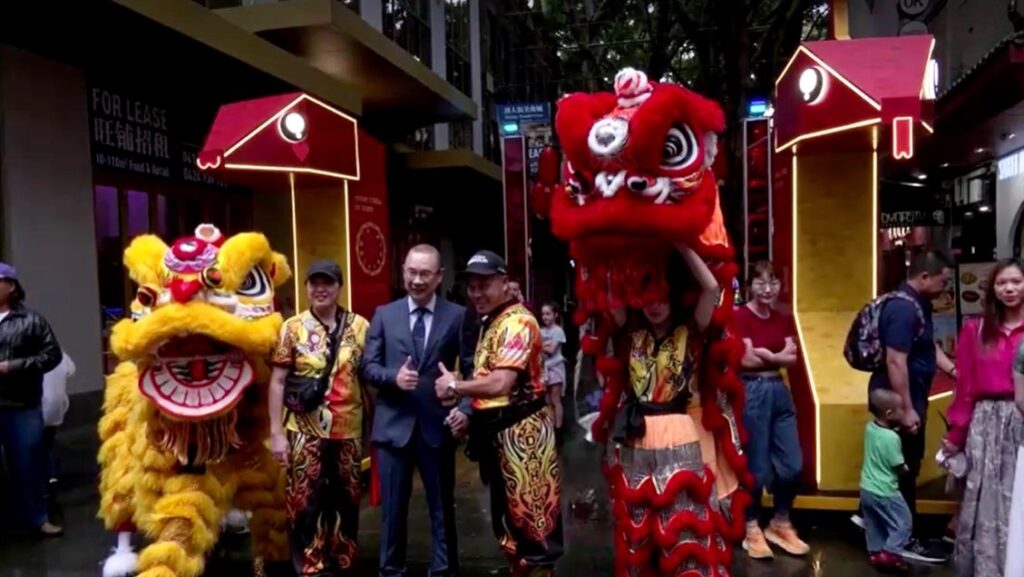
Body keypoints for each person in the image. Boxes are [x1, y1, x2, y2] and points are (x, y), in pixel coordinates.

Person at [604, 246, 742, 577]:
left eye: (662, 298)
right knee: (637, 530)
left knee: (684, 527)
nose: (655, 305)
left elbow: (711, 288)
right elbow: (609, 288)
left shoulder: (692, 329)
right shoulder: (629, 330)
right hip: (637, 436)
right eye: (648, 297)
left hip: (680, 432)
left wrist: (680, 243)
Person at [434, 250, 563, 577]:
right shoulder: (489, 321)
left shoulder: (518, 321)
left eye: (484, 285)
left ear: (505, 284)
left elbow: (501, 383)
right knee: (508, 527)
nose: (476, 293)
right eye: (471, 286)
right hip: (500, 437)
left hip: (524, 439)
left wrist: (456, 387)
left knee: (535, 531)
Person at [360, 245, 474, 577]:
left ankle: (443, 570)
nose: (417, 280)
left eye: (425, 274)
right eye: (411, 272)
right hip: (393, 427)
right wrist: (392, 378)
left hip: (436, 426)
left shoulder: (457, 316)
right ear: (403, 271)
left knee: (441, 508)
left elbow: (471, 368)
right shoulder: (384, 314)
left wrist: (465, 409)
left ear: (439, 277)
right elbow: (367, 366)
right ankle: (391, 570)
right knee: (392, 511)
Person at [269, 260, 370, 576]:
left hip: (348, 428)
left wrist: (376, 428)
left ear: (340, 287)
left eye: (327, 283)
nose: (320, 289)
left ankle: (342, 560)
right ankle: (310, 566)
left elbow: (367, 381)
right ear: (307, 287)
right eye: (314, 283)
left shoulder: (360, 326)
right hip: (303, 429)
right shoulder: (292, 327)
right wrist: (276, 433)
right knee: (303, 502)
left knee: (347, 501)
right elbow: (277, 381)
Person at [868, 250, 955, 563]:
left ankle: (896, 530)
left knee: (908, 467)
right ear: (925, 277)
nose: (947, 287)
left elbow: (926, 345)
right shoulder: (903, 309)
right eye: (944, 281)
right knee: (900, 471)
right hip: (897, 403)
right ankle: (901, 539)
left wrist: (953, 370)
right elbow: (895, 360)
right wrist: (906, 410)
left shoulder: (918, 306)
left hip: (910, 398)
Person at [942, 260, 1024, 577]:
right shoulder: (975, 331)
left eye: (1016, 281)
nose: (1010, 288)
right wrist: (956, 434)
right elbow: (965, 388)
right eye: (1002, 283)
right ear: (992, 290)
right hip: (986, 424)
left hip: (1022, 419)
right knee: (987, 502)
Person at [734, 261, 808, 558]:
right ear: (749, 285)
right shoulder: (738, 316)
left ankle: (780, 521)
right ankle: (751, 526)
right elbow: (745, 360)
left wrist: (766, 354)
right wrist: (772, 355)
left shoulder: (782, 317)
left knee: (793, 466)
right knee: (757, 467)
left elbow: (791, 357)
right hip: (752, 390)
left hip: (779, 390)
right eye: (761, 282)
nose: (767, 288)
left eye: (773, 282)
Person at [0, 263, 63, 537]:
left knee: (28, 464)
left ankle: (37, 518)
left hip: (20, 405)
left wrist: (12, 366)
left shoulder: (32, 321)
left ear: (11, 286)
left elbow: (52, 355)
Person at [861, 388, 912, 573]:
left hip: (866, 489)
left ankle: (875, 553)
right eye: (901, 409)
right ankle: (890, 554)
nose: (904, 412)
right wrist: (907, 469)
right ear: (889, 413)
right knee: (904, 522)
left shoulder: (870, 427)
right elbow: (898, 465)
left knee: (873, 524)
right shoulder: (892, 438)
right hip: (885, 491)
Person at [41, 350, 74, 489]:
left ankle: (43, 476)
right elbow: (71, 370)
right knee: (49, 440)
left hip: (37, 406)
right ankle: (52, 474)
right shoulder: (59, 352)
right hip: (57, 407)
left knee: (36, 444)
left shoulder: (28, 353)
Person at [540, 302, 566, 429]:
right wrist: (545, 345)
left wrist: (541, 346)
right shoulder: (540, 330)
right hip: (543, 370)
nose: (545, 317)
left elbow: (552, 350)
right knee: (547, 401)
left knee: (556, 400)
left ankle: (559, 427)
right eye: (543, 314)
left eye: (548, 314)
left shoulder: (558, 331)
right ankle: (550, 428)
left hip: (555, 369)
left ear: (555, 315)